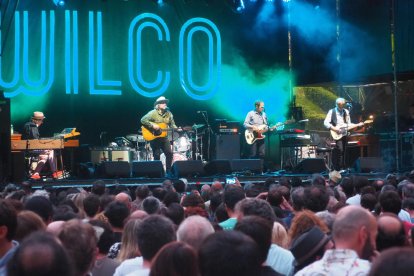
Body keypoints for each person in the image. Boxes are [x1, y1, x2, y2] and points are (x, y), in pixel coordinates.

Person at [141, 96, 178, 175]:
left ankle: (168, 171)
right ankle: (157, 172)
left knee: (169, 153)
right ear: (158, 105)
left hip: (164, 137)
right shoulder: (153, 113)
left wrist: (177, 128)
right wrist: (152, 125)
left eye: (165, 102)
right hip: (154, 137)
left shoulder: (169, 114)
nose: (165, 104)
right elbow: (143, 120)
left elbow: (173, 125)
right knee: (156, 155)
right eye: (162, 102)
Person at [324, 98, 363, 171]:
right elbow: (326, 123)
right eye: (339, 105)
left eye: (342, 105)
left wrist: (358, 124)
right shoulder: (331, 111)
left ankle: (343, 167)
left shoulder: (346, 111)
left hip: (344, 133)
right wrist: (335, 129)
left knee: (345, 151)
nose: (340, 106)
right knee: (339, 150)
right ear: (336, 104)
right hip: (336, 134)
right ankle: (337, 168)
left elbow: (349, 124)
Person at [22, 111, 58, 180]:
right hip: (30, 149)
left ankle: (36, 174)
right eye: (42, 120)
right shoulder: (33, 126)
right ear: (37, 120)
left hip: (28, 148)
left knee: (45, 155)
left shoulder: (28, 125)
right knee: (50, 151)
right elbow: (35, 141)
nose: (42, 122)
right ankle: (54, 172)